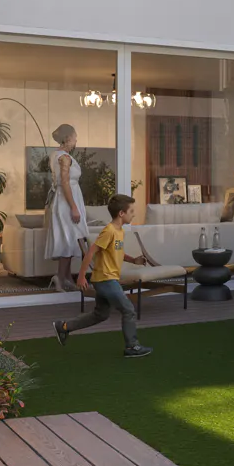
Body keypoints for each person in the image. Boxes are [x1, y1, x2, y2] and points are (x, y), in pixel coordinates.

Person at [52, 195, 152, 358]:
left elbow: (116, 252)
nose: (134, 214)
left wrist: (134, 260)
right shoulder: (109, 231)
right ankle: (132, 346)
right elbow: (91, 252)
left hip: (107, 280)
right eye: (131, 211)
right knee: (128, 310)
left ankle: (63, 327)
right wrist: (81, 276)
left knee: (100, 315)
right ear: (121, 213)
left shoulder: (119, 232)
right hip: (106, 280)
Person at [45, 123, 89, 292]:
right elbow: (64, 182)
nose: (76, 140)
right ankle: (60, 278)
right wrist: (74, 207)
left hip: (62, 200)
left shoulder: (55, 155)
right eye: (75, 137)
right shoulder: (65, 157)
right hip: (67, 201)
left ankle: (66, 277)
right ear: (68, 138)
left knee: (70, 238)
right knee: (69, 239)